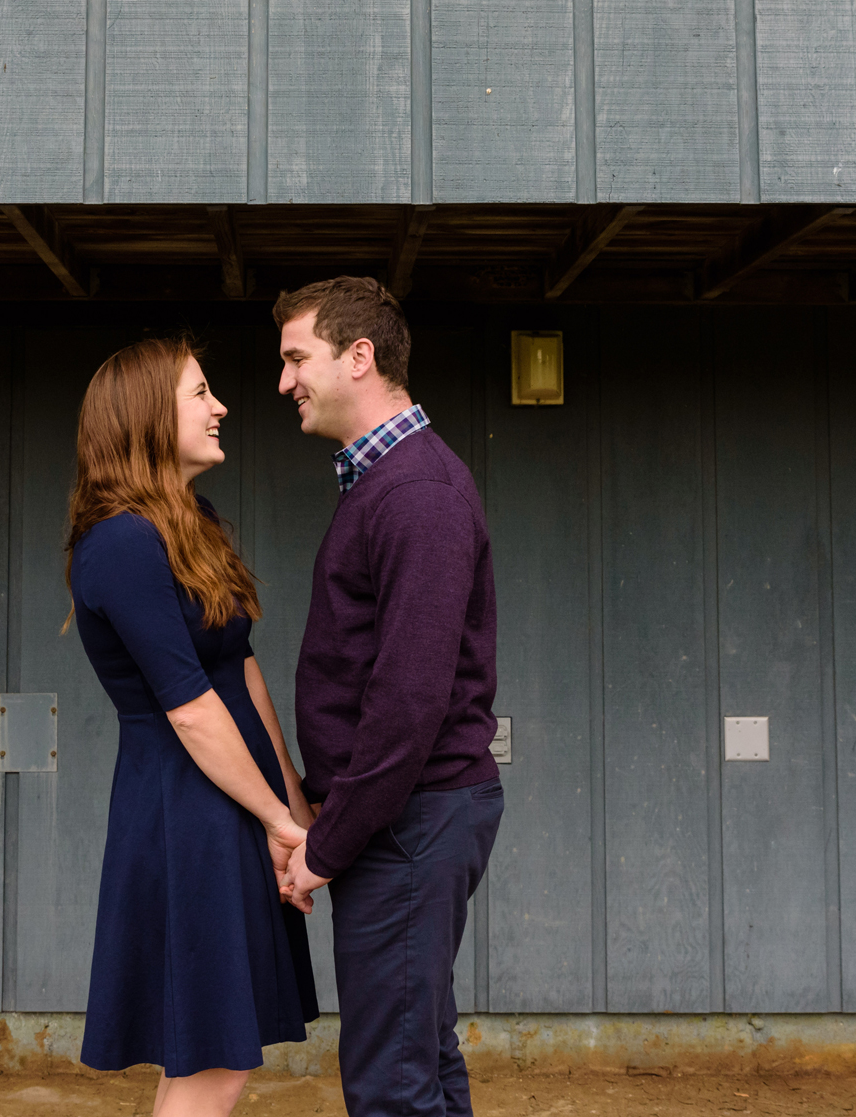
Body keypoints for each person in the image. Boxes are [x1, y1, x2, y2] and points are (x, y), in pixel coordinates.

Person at [66, 336, 319, 1117]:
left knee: (211, 1057)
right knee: (216, 1058)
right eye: (200, 393)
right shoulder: (120, 541)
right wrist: (275, 816)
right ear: (145, 417)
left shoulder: (190, 520)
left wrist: (293, 802)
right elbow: (188, 705)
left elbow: (240, 667)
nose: (222, 407)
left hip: (233, 802)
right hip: (186, 812)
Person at [272, 276, 503, 1117]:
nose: (285, 379)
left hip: (409, 823)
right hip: (406, 821)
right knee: (419, 1055)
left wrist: (328, 845)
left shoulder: (417, 492)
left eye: (298, 357)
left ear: (359, 356)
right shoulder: (390, 482)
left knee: (392, 1085)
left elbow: (408, 701)